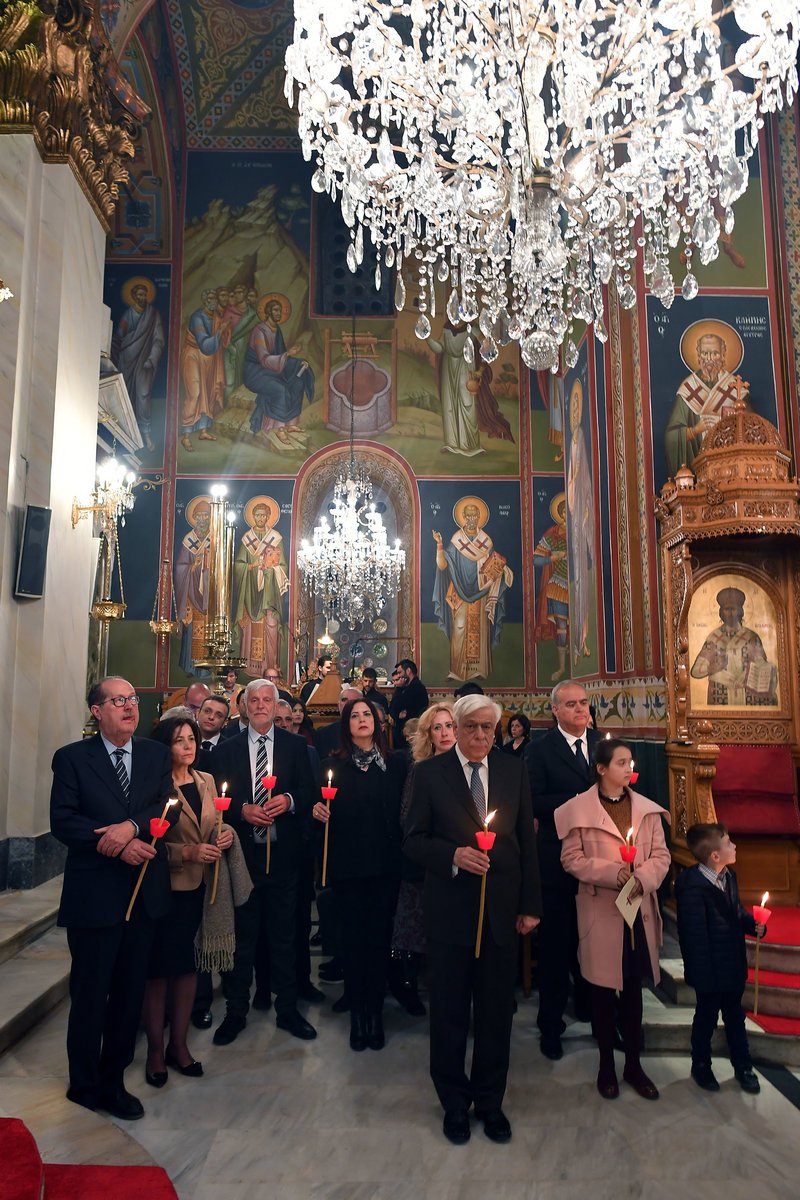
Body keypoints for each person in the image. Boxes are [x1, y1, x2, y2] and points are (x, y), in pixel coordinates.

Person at [404, 694, 541, 1145]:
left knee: (495, 1014)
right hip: (450, 912)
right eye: (471, 728)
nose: (480, 736)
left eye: (488, 728)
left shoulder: (512, 771)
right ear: (456, 729)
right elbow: (412, 840)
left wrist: (530, 904)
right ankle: (454, 1102)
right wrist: (454, 854)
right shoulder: (429, 774)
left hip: (501, 911)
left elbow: (525, 842)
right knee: (448, 1014)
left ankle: (490, 1101)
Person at [50, 678, 175, 1120]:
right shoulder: (71, 759)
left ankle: (113, 1081)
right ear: (96, 710)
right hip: (94, 895)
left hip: (142, 894)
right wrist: (119, 842)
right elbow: (64, 820)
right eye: (118, 701)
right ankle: (83, 1084)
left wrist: (134, 829)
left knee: (127, 995)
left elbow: (167, 806)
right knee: (90, 994)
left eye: (133, 700)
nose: (129, 707)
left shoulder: (156, 755)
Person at [555, 738, 671, 1101]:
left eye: (630, 762)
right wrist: (611, 872)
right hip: (602, 910)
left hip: (637, 910)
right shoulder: (579, 810)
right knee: (603, 993)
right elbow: (571, 859)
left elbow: (662, 856)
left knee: (634, 991)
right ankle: (606, 1064)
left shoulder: (647, 811)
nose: (628, 767)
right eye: (621, 762)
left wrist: (643, 877)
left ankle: (634, 1064)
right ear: (602, 769)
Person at [210, 679, 317, 1044]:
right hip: (243, 858)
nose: (259, 705)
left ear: (276, 706)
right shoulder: (227, 749)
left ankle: (287, 1009)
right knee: (243, 939)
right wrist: (242, 809)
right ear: (243, 706)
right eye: (252, 700)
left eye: (266, 700)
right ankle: (235, 1011)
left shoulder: (295, 745)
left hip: (283, 856)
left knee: (284, 937)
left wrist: (287, 800)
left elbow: (310, 790)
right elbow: (216, 797)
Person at [142, 715, 236, 1086]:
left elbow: (215, 822)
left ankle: (178, 1045)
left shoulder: (206, 780)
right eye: (180, 740)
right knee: (159, 971)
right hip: (167, 887)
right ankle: (154, 1050)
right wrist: (188, 852)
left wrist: (224, 835)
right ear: (165, 745)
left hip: (201, 888)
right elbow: (152, 839)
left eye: (192, 739)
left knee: (188, 969)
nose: (188, 745)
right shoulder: (155, 785)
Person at [313, 698, 408, 1051]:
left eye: (367, 714)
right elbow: (318, 809)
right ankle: (357, 1015)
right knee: (352, 943)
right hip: (348, 868)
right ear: (346, 725)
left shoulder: (397, 764)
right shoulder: (332, 765)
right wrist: (317, 811)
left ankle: (375, 1014)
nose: (362, 719)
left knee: (379, 942)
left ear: (378, 722)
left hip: (386, 868)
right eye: (355, 715)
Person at [524, 680, 598, 1059]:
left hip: (601, 862)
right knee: (557, 948)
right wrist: (578, 802)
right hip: (556, 862)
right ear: (555, 710)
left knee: (596, 945)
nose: (580, 710)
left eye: (584, 703)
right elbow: (533, 801)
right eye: (571, 705)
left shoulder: (603, 746)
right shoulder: (540, 751)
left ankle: (594, 1012)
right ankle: (551, 1025)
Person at [676, 823, 763, 1094]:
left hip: (732, 965)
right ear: (714, 855)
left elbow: (735, 912)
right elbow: (693, 938)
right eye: (728, 843)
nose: (734, 846)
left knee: (736, 1018)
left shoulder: (729, 876)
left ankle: (743, 1065)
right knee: (706, 1018)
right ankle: (700, 1064)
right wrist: (703, 976)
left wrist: (753, 924)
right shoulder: (692, 887)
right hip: (710, 972)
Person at [390, 703, 458, 1017]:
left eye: (450, 726)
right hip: (426, 859)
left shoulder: (469, 765)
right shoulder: (420, 768)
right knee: (417, 927)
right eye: (438, 727)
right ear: (428, 734)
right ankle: (408, 985)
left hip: (460, 864)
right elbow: (407, 816)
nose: (445, 733)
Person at [433, 498, 513, 682]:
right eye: (468, 515)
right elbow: (443, 566)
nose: (471, 518)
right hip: (460, 593)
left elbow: (493, 565)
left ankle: (479, 669)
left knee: (480, 628)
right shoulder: (456, 541)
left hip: (481, 592)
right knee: (459, 628)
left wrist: (500, 570)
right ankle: (457, 670)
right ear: (463, 517)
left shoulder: (486, 541)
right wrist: (439, 545)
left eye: (474, 515)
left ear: (479, 518)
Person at [665, 332, 749, 477]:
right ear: (698, 355)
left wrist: (727, 426)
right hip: (699, 472)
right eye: (705, 353)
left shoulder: (737, 388)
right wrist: (695, 430)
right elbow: (671, 436)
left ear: (723, 355)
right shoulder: (688, 390)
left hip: (730, 470)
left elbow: (752, 431)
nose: (709, 359)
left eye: (715, 353)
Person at [244, 294, 314, 446]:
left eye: (280, 311)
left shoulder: (277, 329)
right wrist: (288, 354)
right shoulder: (260, 331)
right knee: (280, 389)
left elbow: (280, 355)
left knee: (298, 379)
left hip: (274, 367)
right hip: (256, 372)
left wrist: (297, 361)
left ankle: (291, 423)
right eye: (275, 310)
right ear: (268, 311)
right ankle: (279, 428)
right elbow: (264, 359)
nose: (278, 313)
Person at [232, 498, 290, 678]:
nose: (260, 518)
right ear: (253, 517)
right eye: (257, 515)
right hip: (250, 593)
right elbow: (238, 565)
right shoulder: (246, 540)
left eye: (263, 515)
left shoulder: (276, 538)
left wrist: (269, 570)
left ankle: (269, 668)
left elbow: (283, 566)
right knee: (250, 628)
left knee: (270, 626)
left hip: (269, 595)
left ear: (268, 517)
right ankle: (249, 668)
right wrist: (251, 566)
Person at [690, 586, 777, 706]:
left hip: (747, 695)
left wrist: (752, 671)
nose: (730, 613)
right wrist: (713, 668)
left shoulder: (751, 637)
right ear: (721, 612)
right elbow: (695, 671)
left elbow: (761, 665)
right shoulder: (714, 638)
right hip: (720, 694)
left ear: (740, 611)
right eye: (727, 609)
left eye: (734, 609)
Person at [111, 276, 165, 452]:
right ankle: (124, 431)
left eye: (144, 294)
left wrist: (152, 358)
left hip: (144, 362)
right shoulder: (128, 314)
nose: (142, 297)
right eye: (139, 294)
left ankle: (146, 432)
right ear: (133, 296)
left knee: (143, 394)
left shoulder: (153, 314)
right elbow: (120, 335)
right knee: (125, 392)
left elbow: (158, 339)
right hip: (127, 359)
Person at [180, 289, 230, 452]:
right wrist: (220, 331)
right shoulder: (198, 317)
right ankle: (186, 436)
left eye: (215, 298)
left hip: (209, 360)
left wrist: (224, 331)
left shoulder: (216, 317)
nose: (213, 301)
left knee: (207, 394)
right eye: (210, 298)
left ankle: (203, 431)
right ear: (204, 300)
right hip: (193, 356)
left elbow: (223, 341)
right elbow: (205, 344)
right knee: (194, 393)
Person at [566, 380, 593, 664]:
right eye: (572, 407)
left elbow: (581, 479)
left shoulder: (581, 437)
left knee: (583, 582)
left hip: (582, 517)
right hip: (575, 519)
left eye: (577, 406)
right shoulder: (573, 438)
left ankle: (582, 638)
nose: (575, 410)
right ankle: (579, 641)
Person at [533, 491, 569, 682]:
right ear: (561, 514)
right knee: (561, 626)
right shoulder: (552, 535)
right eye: (565, 512)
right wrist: (553, 557)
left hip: (576, 584)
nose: (567, 515)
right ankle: (562, 667)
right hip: (558, 584)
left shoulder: (580, 533)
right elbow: (536, 560)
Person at [174, 497, 212, 673]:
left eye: (206, 515)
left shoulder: (214, 540)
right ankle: (191, 668)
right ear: (195, 517)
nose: (203, 519)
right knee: (192, 631)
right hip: (191, 593)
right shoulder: (188, 540)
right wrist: (193, 568)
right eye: (200, 516)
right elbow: (181, 567)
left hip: (209, 594)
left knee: (208, 631)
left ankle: (206, 670)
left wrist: (208, 569)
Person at [388, 659, 429, 750]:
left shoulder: (415, 687)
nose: (399, 676)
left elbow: (397, 705)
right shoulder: (407, 687)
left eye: (400, 672)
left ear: (408, 671)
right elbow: (393, 709)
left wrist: (398, 688)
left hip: (411, 731)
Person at [313, 685, 362, 759]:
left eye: (353, 701)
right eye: (344, 700)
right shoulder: (323, 734)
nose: (347, 704)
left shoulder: (368, 731)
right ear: (338, 705)